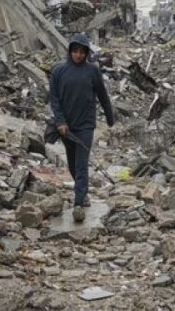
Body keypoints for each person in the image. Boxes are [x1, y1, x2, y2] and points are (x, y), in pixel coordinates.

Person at [49, 33, 115, 223]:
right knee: (71, 162)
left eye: (82, 52)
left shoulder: (92, 71)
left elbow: (102, 95)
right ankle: (83, 191)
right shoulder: (58, 72)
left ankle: (78, 203)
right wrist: (60, 122)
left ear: (86, 53)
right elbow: (55, 100)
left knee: (81, 164)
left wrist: (110, 117)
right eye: (75, 51)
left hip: (86, 125)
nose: (78, 55)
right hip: (67, 127)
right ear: (70, 51)